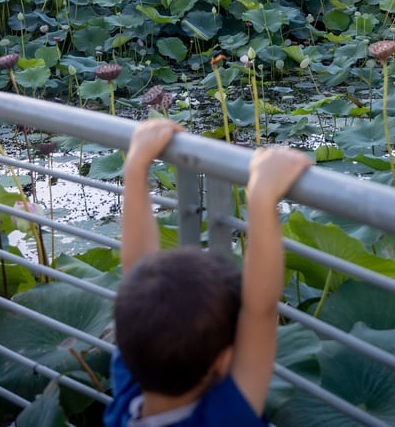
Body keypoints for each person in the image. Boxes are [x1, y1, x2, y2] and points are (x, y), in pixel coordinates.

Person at [104, 119, 312, 426]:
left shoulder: (129, 398)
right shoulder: (224, 417)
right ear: (222, 360)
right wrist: (261, 195)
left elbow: (137, 268)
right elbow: (260, 312)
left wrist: (136, 165)